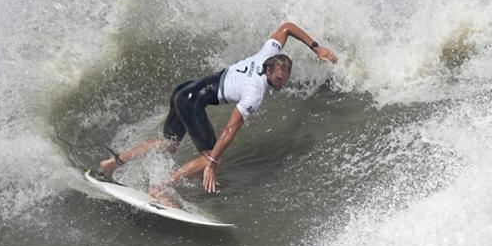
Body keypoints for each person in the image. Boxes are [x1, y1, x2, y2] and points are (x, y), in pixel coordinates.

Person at [99, 22, 338, 206]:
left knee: (168, 144)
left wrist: (316, 47)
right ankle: (160, 188)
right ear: (268, 71)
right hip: (192, 103)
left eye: (285, 79)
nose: (282, 83)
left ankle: (112, 163)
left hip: (183, 91)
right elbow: (230, 128)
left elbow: (286, 27)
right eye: (278, 79)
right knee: (210, 157)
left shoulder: (267, 55)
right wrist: (212, 163)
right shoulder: (255, 92)